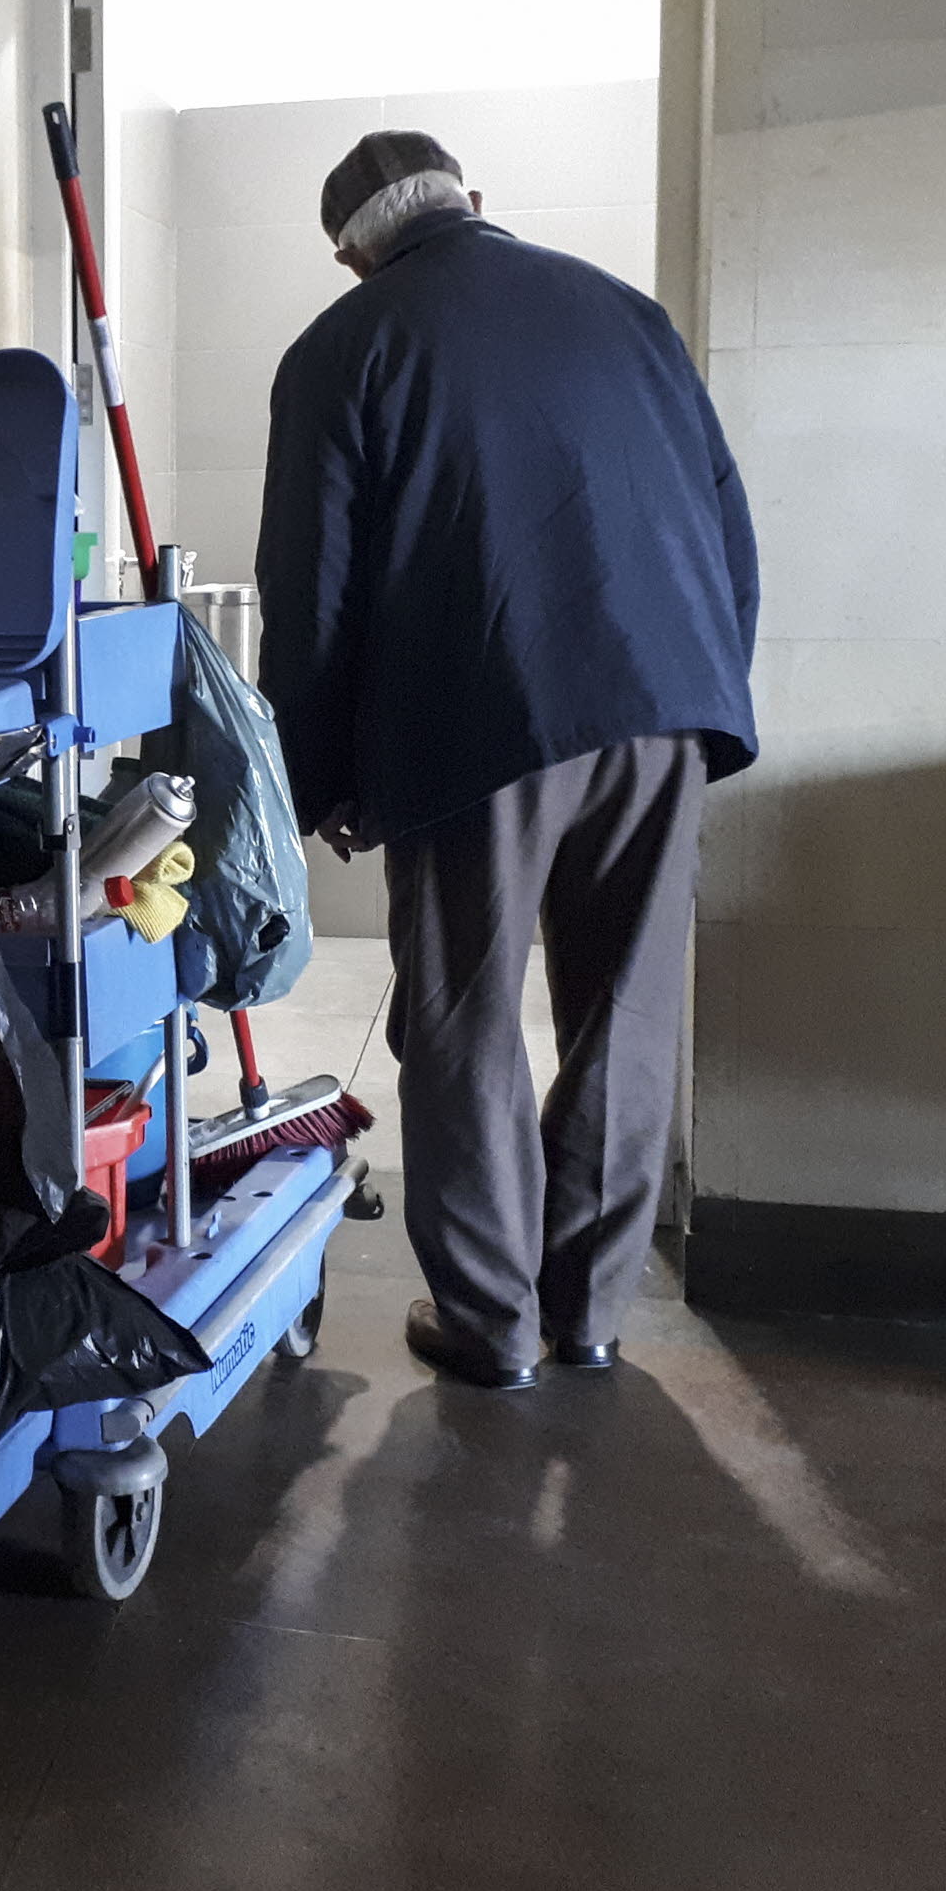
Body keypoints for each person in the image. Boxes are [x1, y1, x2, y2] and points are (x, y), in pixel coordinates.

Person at [256, 131, 758, 1391]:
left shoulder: (342, 349)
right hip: (668, 701)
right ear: (475, 202)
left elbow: (308, 598)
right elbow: (726, 527)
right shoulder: (629, 315)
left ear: (348, 253)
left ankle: (491, 1323)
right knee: (627, 1012)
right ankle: (587, 1309)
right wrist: (702, 700)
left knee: (465, 1015)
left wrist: (312, 782)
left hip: (478, 721)